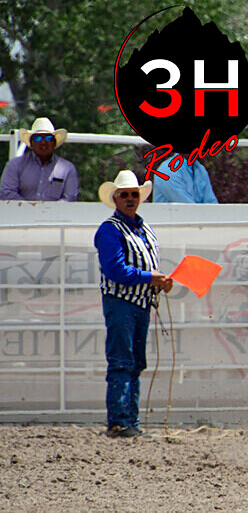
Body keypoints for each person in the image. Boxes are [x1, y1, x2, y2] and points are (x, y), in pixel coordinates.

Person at [94, 170, 173, 437]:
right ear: (115, 199)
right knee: (122, 362)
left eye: (133, 194)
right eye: (125, 195)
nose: (130, 198)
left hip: (139, 303)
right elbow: (115, 270)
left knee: (135, 362)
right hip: (121, 303)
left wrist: (158, 280)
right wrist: (152, 277)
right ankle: (119, 421)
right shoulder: (109, 230)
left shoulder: (142, 227)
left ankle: (130, 422)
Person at [1, 117, 78, 201]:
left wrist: (49, 211)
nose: (43, 142)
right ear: (31, 143)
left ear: (54, 143)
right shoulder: (15, 165)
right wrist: (29, 209)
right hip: (21, 213)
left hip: (56, 214)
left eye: (48, 138)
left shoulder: (67, 169)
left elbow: (70, 198)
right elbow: (6, 193)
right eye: (38, 138)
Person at [153, 153, 218, 203]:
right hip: (172, 219)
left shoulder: (200, 169)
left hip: (197, 218)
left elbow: (212, 204)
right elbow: (187, 208)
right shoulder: (167, 170)